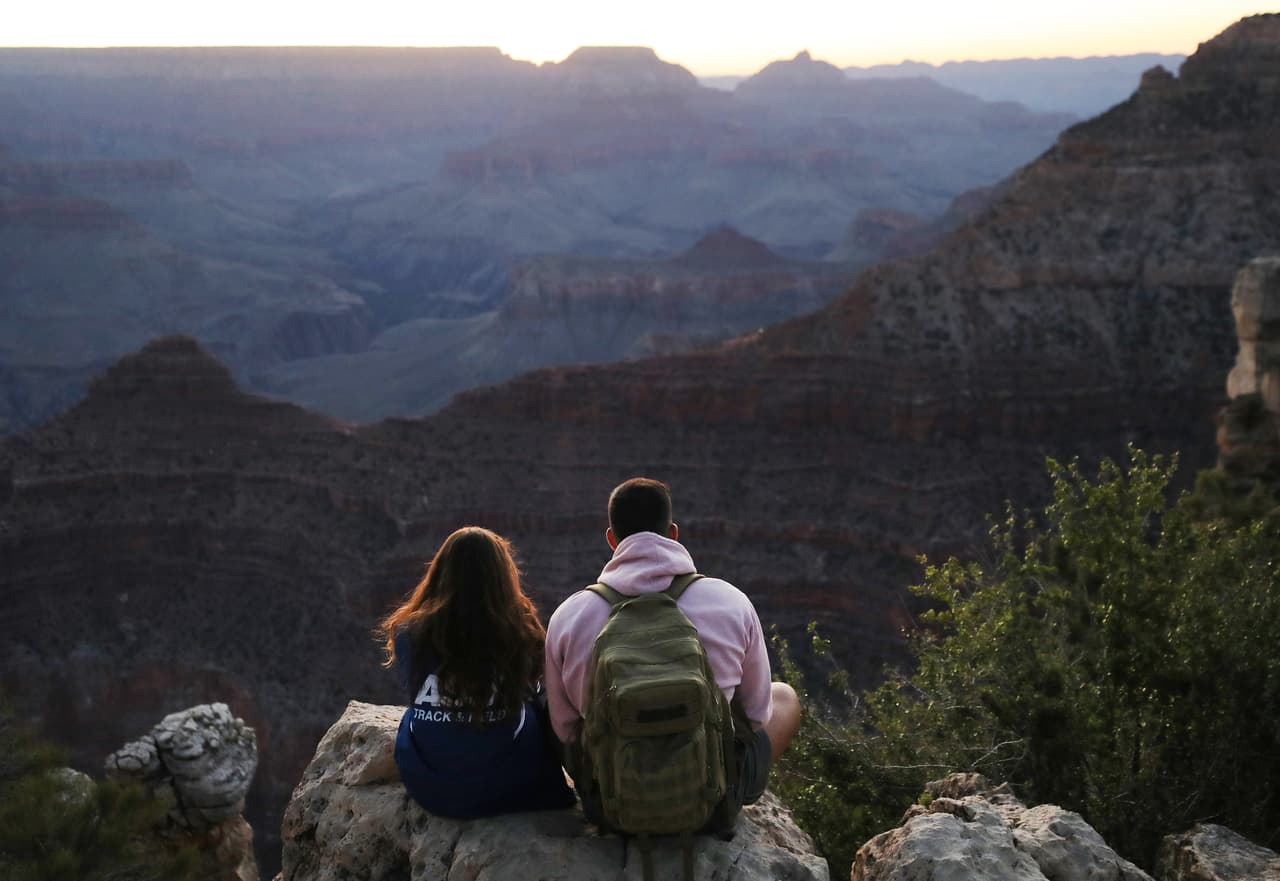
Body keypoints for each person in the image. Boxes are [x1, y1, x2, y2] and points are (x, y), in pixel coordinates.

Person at [545, 477, 801, 816]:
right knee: (784, 697)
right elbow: (755, 717)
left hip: (613, 802)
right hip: (710, 801)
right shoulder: (731, 602)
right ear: (673, 533)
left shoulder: (570, 616)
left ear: (612, 539)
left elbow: (564, 729)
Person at [377, 526, 575, 818]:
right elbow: (532, 687)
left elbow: (413, 686)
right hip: (505, 787)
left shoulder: (409, 632)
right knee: (540, 704)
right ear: (502, 577)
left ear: (440, 572)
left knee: (411, 716)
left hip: (433, 788)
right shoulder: (521, 632)